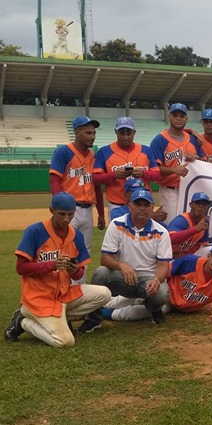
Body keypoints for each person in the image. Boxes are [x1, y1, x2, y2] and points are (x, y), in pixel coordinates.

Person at [4, 193, 111, 347]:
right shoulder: (35, 232)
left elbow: (79, 273)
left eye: (70, 214)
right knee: (65, 341)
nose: (66, 219)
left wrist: (73, 270)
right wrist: (52, 265)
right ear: (51, 210)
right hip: (39, 298)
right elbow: (21, 268)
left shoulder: (76, 236)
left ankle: (58, 318)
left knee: (104, 293)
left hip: (64, 295)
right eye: (62, 214)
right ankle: (23, 322)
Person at [91, 189, 173, 324]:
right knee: (100, 273)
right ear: (129, 205)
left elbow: (163, 265)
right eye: (138, 204)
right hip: (122, 277)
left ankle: (154, 309)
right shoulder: (117, 224)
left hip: (147, 281)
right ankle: (94, 316)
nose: (142, 208)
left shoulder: (161, 232)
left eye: (146, 205)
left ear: (152, 208)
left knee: (162, 292)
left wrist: (157, 279)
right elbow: (104, 258)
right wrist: (121, 265)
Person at [101, 241, 212, 323]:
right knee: (132, 298)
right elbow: (165, 272)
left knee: (146, 311)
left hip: (172, 307)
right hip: (165, 292)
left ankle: (107, 314)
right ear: (208, 256)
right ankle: (99, 304)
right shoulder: (190, 262)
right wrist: (154, 286)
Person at [49, 116, 105, 268]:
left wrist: (100, 213)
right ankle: (63, 288)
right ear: (77, 132)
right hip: (69, 210)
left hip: (87, 210)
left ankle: (80, 286)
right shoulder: (64, 152)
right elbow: (55, 180)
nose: (92, 137)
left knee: (84, 251)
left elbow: (97, 186)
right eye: (88, 133)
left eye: (93, 133)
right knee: (65, 249)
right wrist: (58, 208)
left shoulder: (93, 156)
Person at [93, 117, 159, 214]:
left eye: (128, 133)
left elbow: (157, 175)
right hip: (117, 203)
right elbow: (95, 178)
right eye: (122, 133)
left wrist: (144, 173)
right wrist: (114, 175)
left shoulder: (146, 150)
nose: (125, 137)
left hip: (141, 203)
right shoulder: (104, 151)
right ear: (116, 132)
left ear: (134, 132)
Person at [150, 103, 204, 213]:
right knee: (173, 224)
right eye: (175, 115)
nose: (178, 118)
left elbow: (203, 162)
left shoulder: (193, 139)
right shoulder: (159, 140)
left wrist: (196, 159)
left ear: (186, 118)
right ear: (169, 116)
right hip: (170, 190)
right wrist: (174, 170)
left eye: (182, 116)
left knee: (190, 224)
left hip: (191, 189)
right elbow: (155, 169)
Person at [167, 192, 212, 259]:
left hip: (182, 259)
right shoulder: (182, 220)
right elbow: (169, 239)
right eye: (198, 203)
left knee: (209, 249)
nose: (201, 207)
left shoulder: (204, 223)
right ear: (191, 205)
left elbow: (201, 244)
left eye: (204, 205)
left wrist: (187, 256)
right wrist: (195, 229)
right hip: (166, 256)